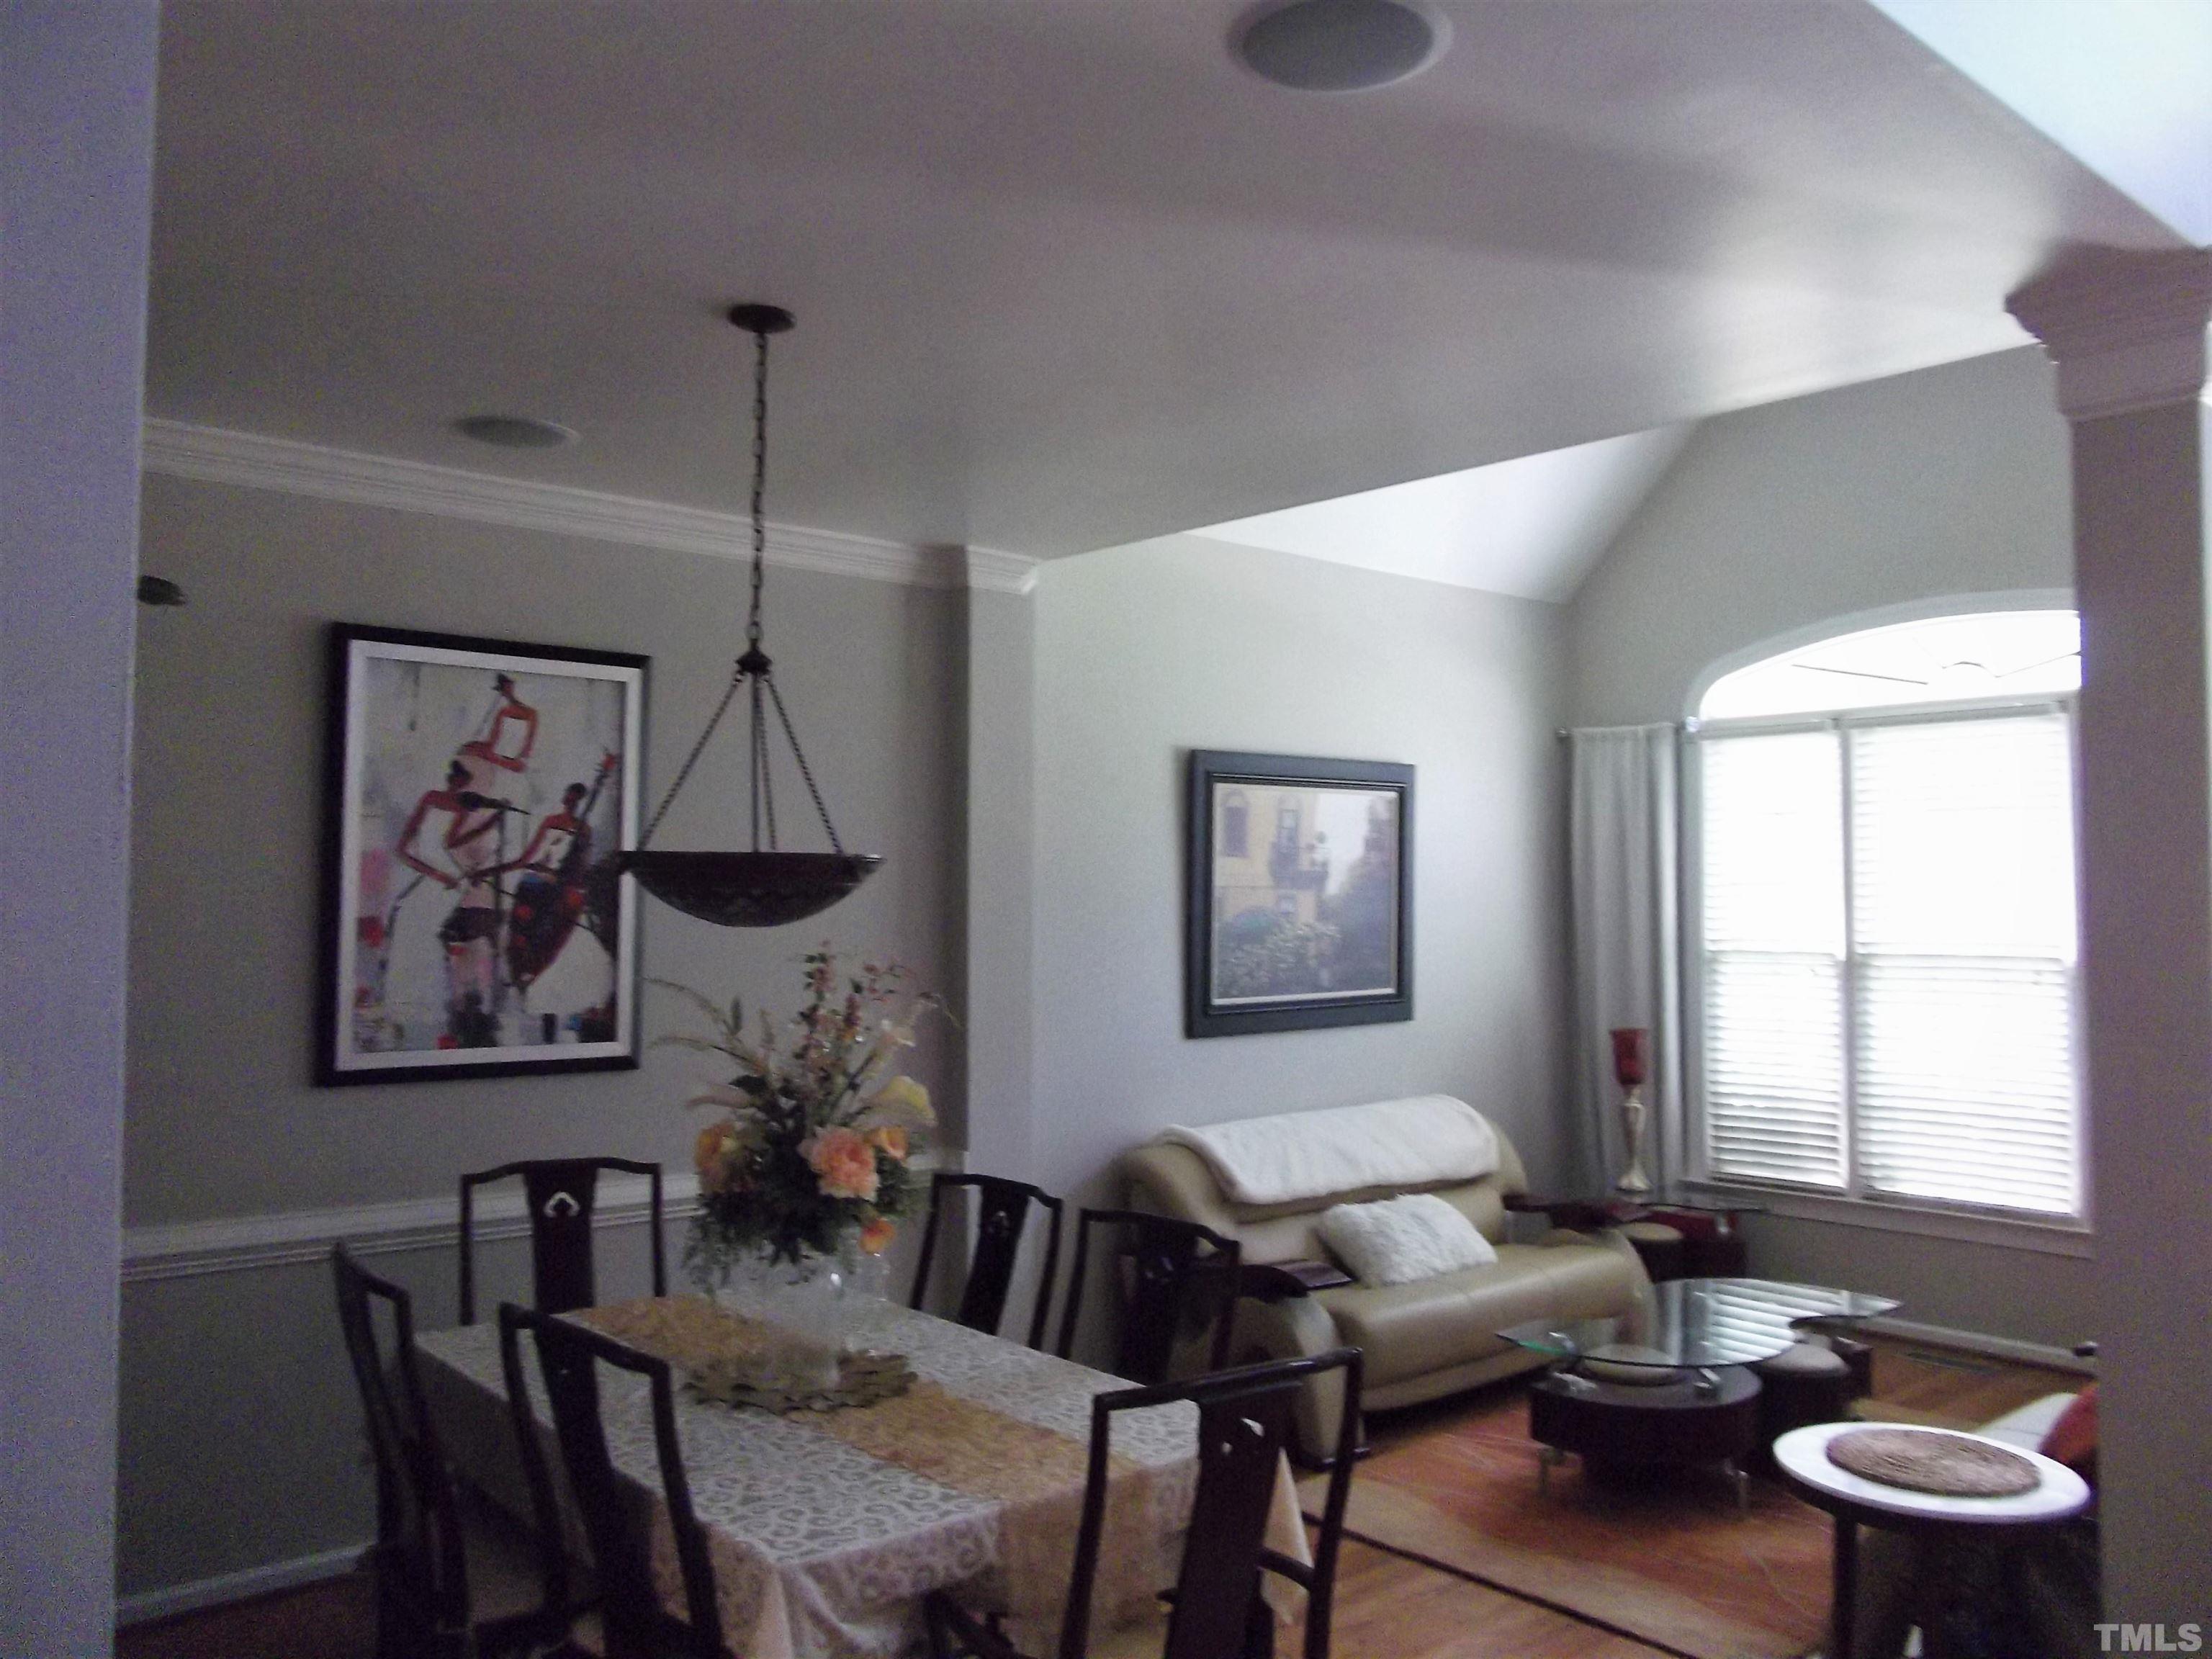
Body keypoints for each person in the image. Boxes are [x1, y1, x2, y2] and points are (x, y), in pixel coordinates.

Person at [394, 757, 515, 1046]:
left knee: (439, 940)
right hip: (426, 875)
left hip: (449, 880)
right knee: (416, 932)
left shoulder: (462, 809)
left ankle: (445, 1019)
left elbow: (452, 843)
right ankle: (411, 1015)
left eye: (464, 784)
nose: (460, 787)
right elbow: (403, 850)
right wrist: (435, 874)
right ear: (452, 780)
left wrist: (491, 823)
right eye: (459, 782)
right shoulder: (430, 799)